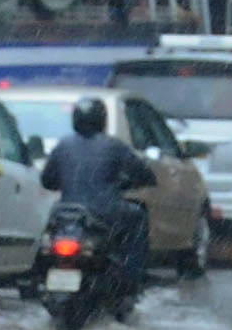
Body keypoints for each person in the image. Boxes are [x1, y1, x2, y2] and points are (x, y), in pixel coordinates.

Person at [39, 95, 157, 298]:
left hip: (67, 213)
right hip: (105, 212)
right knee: (138, 216)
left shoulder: (63, 145)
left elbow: (47, 180)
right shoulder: (114, 146)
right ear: (102, 120)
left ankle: (38, 275)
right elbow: (144, 174)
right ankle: (132, 279)